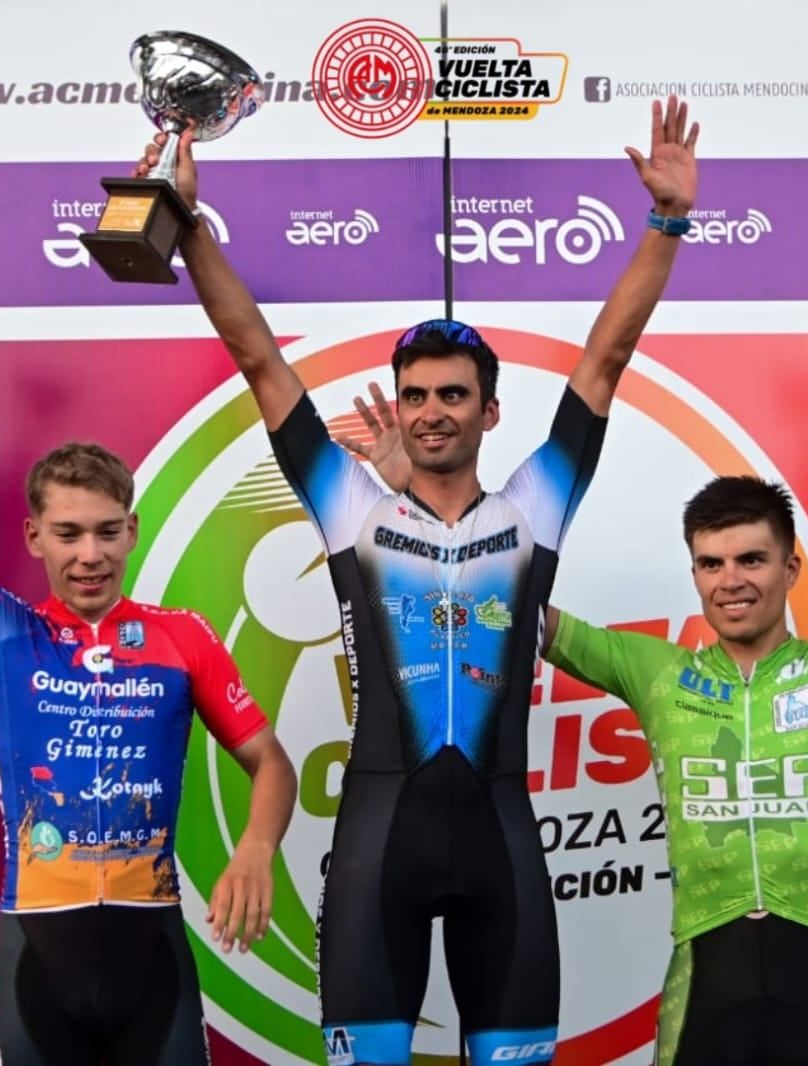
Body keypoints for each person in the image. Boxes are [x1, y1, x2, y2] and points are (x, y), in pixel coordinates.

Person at [352, 286, 808, 1064]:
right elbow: (486, 594)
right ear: (694, 574)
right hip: (704, 992)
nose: (732, 581)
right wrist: (409, 500)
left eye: (752, 560)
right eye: (712, 564)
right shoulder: (658, 673)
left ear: (790, 567)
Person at [141, 97, 698, 1064]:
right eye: (415, 394)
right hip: (376, 845)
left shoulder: (534, 511)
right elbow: (259, 361)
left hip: (502, 843)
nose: (430, 412)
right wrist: (189, 229)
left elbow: (606, 360)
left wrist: (665, 223)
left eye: (452, 394)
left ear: (489, 410)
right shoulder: (355, 511)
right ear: (398, 404)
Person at [0, 306, 296, 1065]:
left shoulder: (184, 636)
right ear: (34, 536)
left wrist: (258, 846)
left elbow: (271, 761)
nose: (91, 555)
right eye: (68, 534)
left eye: (108, 531)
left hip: (153, 953)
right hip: (38, 952)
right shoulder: (1, 627)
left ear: (132, 531)